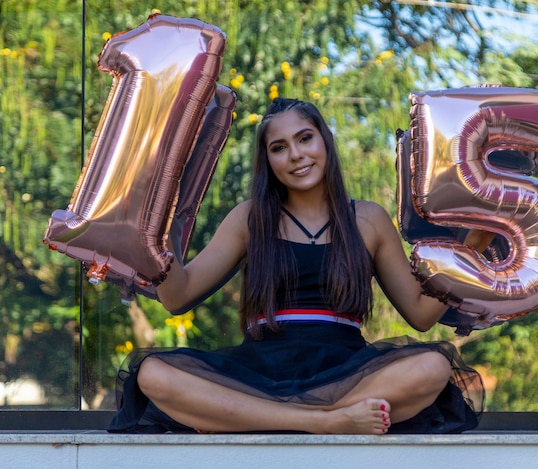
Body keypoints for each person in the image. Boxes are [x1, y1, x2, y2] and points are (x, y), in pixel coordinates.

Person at [108, 98, 484, 435]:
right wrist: (161, 227)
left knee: (433, 367)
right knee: (153, 375)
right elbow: (177, 297)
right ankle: (325, 421)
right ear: (268, 161)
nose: (296, 155)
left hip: (348, 371)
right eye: (279, 147)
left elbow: (420, 314)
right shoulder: (249, 218)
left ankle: (245, 418)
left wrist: (476, 242)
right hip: (256, 371)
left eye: (305, 138)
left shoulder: (369, 219)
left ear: (325, 141)